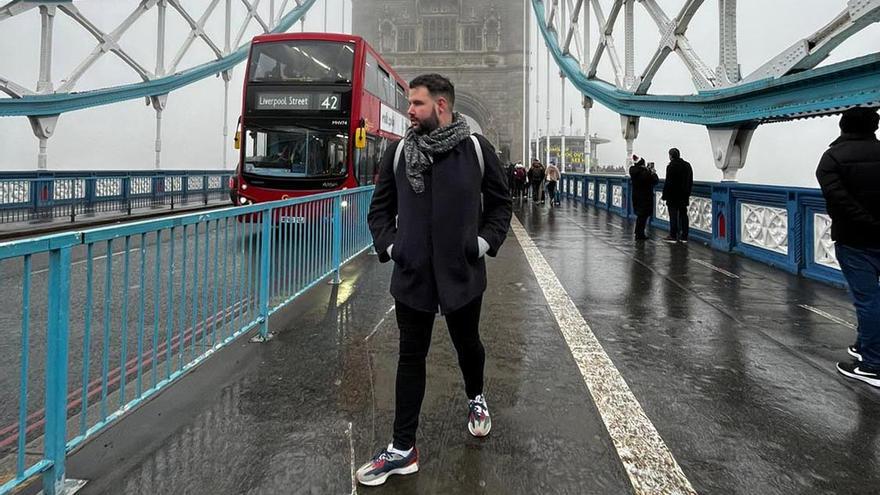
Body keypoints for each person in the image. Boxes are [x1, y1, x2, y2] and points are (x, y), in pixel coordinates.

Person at [361, 73, 512, 486]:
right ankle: (402, 448)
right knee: (410, 357)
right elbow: (378, 212)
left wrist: (481, 244)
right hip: (412, 275)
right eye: (411, 103)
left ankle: (476, 397)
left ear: (441, 106)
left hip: (462, 271)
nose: (408, 110)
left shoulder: (476, 151)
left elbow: (501, 205)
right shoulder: (397, 153)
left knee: (469, 346)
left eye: (417, 104)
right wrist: (393, 248)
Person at [815, 107, 880, 387]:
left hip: (855, 239)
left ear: (842, 126)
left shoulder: (832, 158)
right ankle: (863, 345)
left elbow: (838, 199)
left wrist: (868, 222)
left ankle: (873, 365)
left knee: (868, 300)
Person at [661, 148, 693, 243]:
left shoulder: (671, 166)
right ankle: (684, 236)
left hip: (673, 196)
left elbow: (668, 182)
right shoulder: (687, 165)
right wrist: (688, 192)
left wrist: (664, 195)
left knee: (673, 215)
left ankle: (673, 235)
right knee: (683, 215)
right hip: (684, 195)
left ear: (671, 156)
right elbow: (690, 181)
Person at [629, 156, 659, 240]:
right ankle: (640, 234)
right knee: (643, 216)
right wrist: (653, 172)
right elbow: (655, 181)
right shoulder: (645, 173)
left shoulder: (633, 171)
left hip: (636, 196)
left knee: (640, 215)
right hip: (645, 197)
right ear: (643, 164)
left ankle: (638, 232)